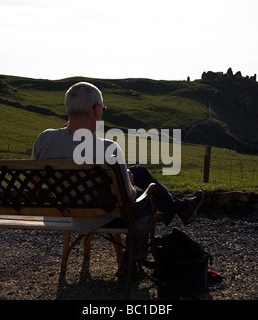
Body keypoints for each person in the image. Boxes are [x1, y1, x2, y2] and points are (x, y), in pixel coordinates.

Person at [31, 82, 205, 274]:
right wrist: (129, 182)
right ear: (96, 109)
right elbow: (130, 198)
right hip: (98, 217)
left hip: (68, 210)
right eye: (103, 108)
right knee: (149, 197)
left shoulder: (44, 139)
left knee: (138, 171)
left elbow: (35, 182)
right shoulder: (109, 149)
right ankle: (131, 263)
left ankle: (183, 208)